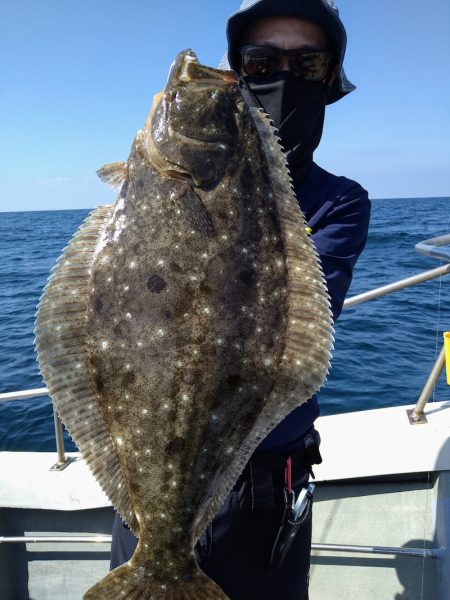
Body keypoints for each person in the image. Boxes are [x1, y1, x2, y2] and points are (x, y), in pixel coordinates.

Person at [110, 1, 371, 598]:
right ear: (239, 77)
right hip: (145, 496)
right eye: (260, 61)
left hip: (264, 498)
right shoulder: (158, 175)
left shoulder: (340, 202)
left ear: (330, 81)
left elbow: (307, 313)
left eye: (306, 64)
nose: (284, 77)